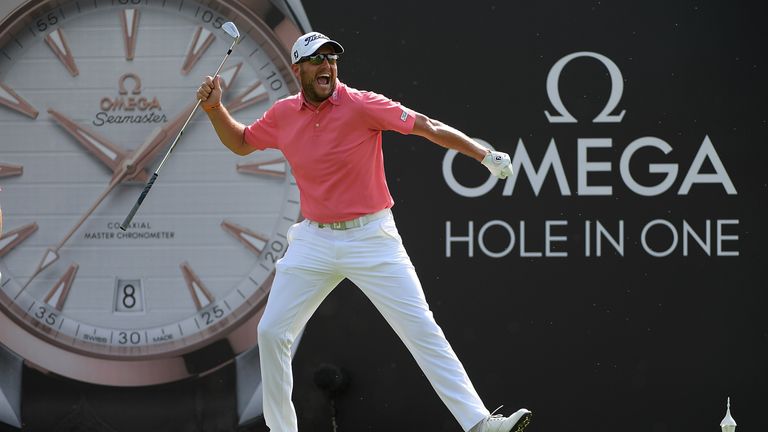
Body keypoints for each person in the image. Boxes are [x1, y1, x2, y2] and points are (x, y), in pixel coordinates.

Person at [197, 32, 529, 432]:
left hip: (372, 237)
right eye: (317, 60)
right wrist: (215, 108)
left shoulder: (361, 104)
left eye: (332, 60)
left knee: (420, 327)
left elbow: (426, 126)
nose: (327, 66)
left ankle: (479, 423)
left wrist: (483, 155)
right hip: (314, 241)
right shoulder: (284, 114)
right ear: (297, 69)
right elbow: (241, 142)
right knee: (270, 332)